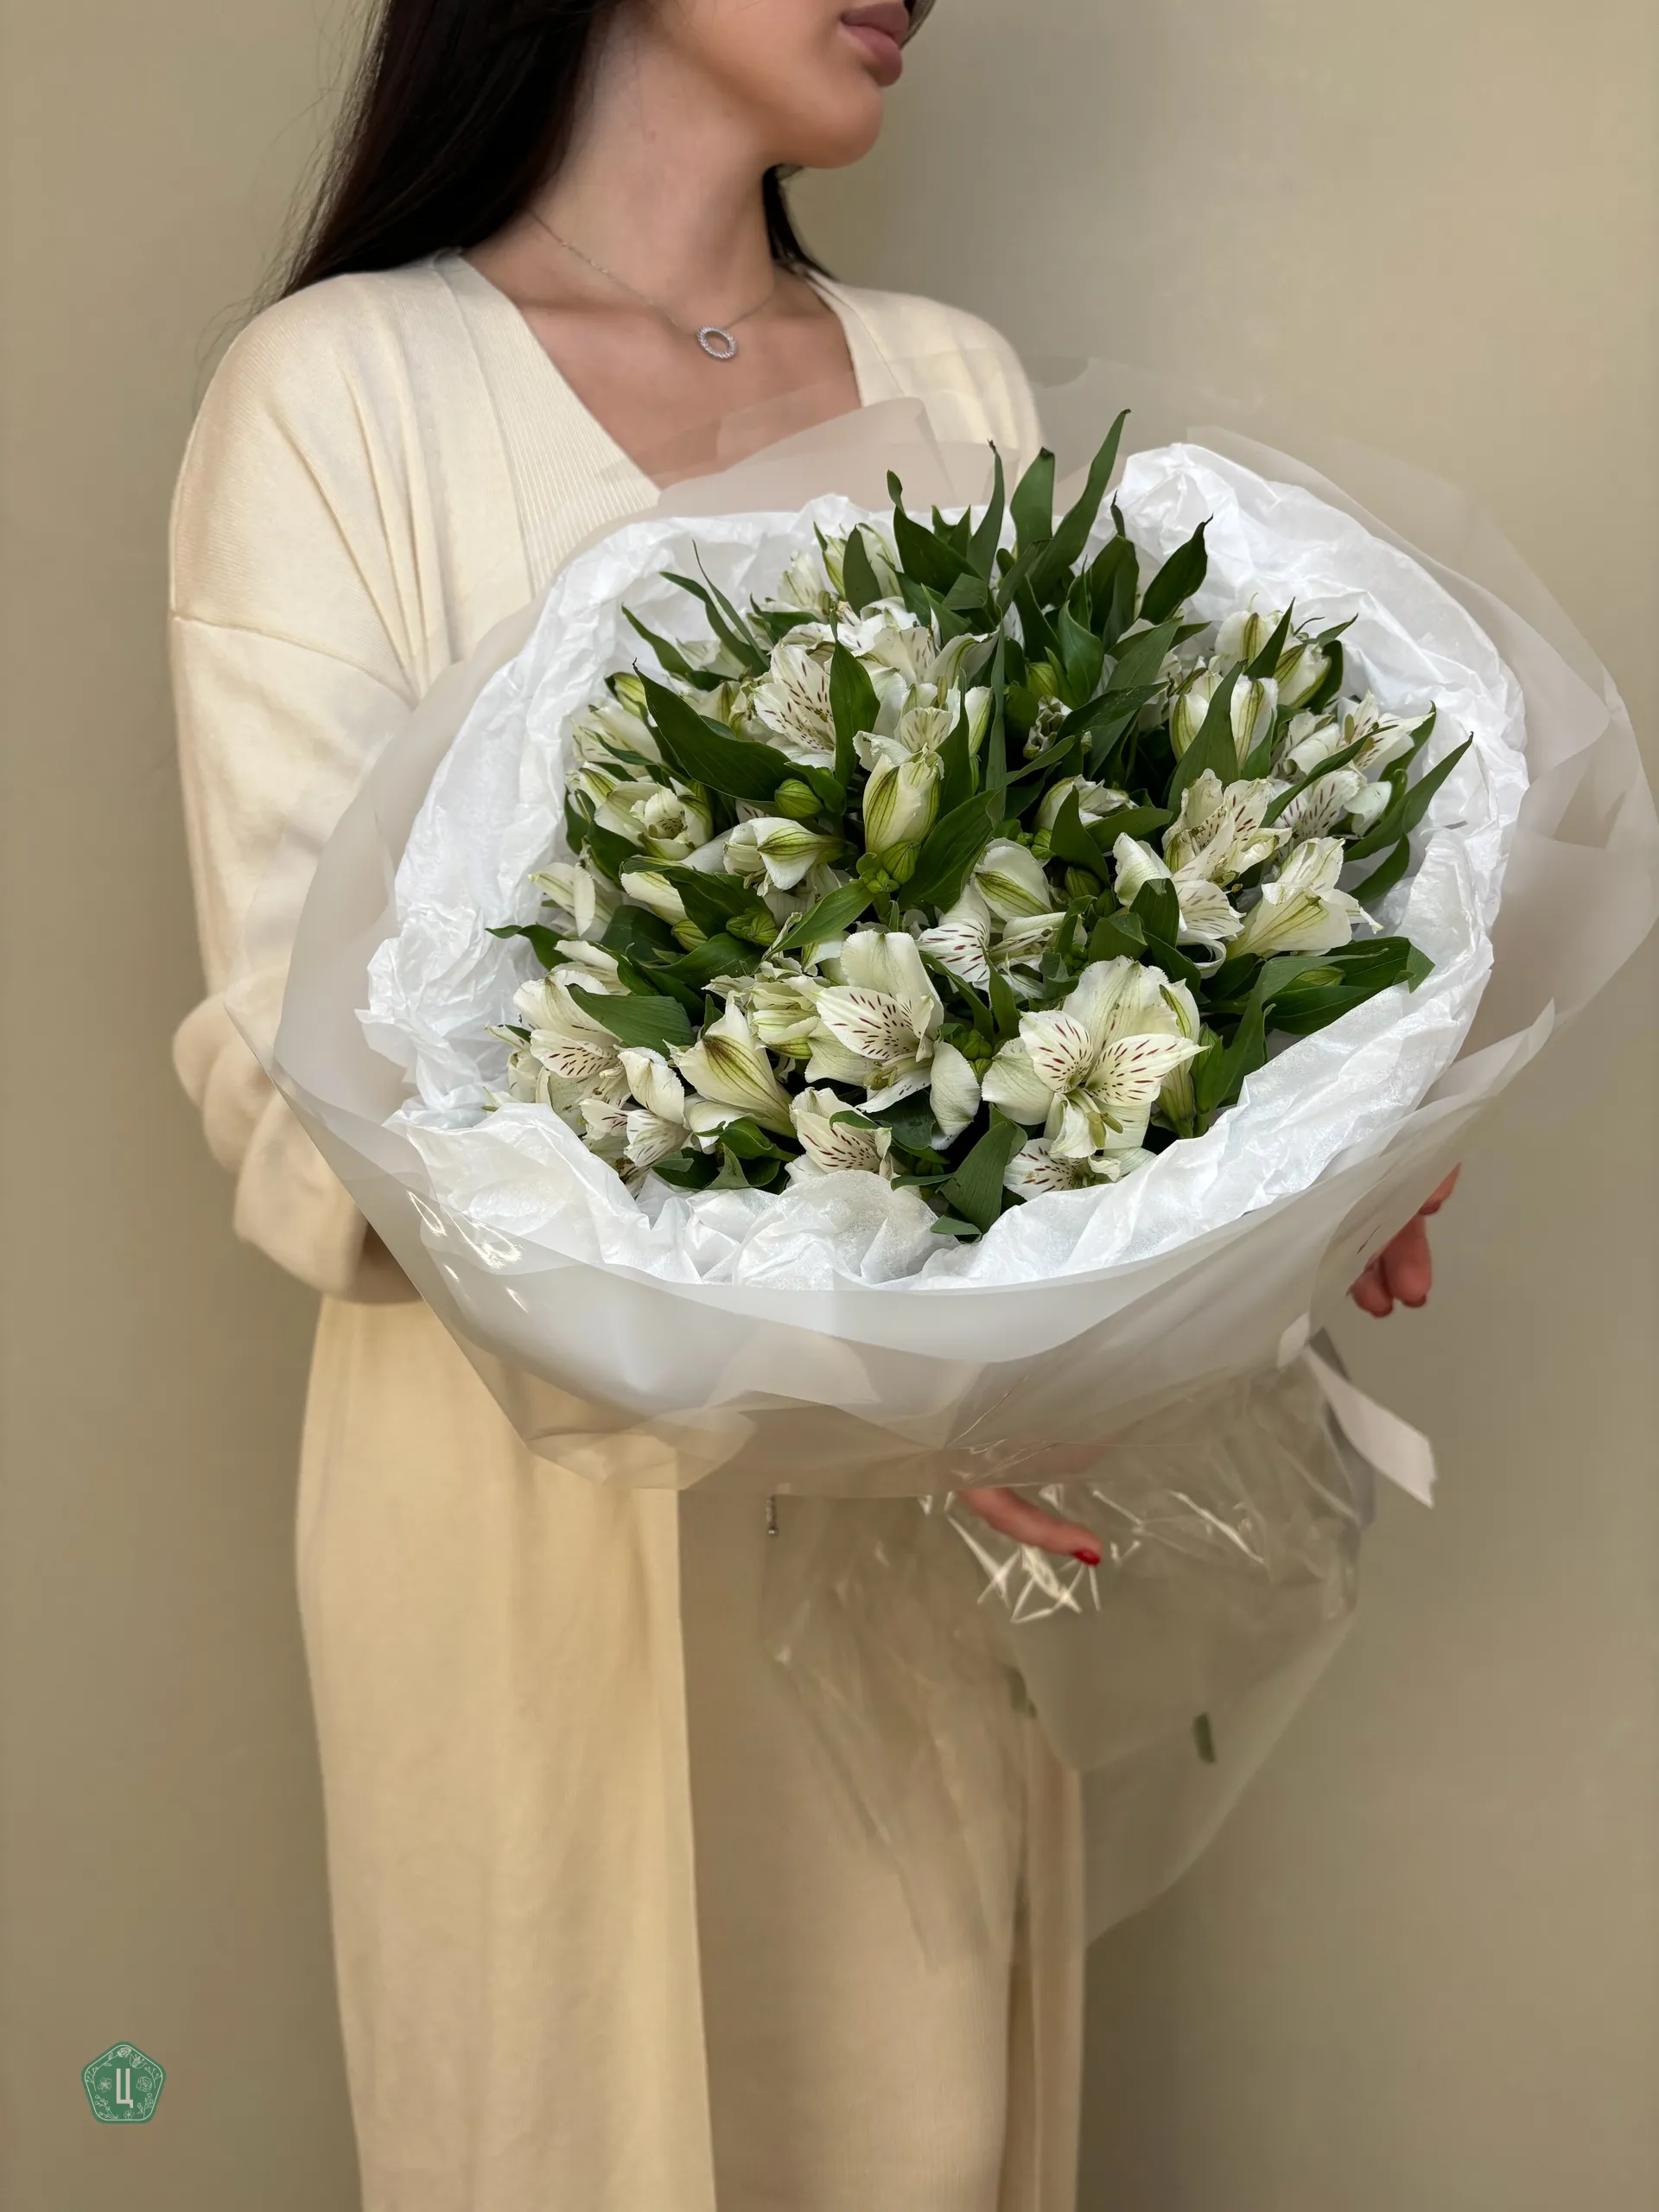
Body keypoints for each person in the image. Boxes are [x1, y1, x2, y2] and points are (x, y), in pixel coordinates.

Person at [168, 3, 1455, 2204]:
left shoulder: (948, 380)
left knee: (911, 2134)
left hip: (924, 1557)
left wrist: (1278, 1137)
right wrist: (839, 1292)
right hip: (528, 1557)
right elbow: (302, 1094)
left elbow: (1091, 906)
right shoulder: (344, 392)